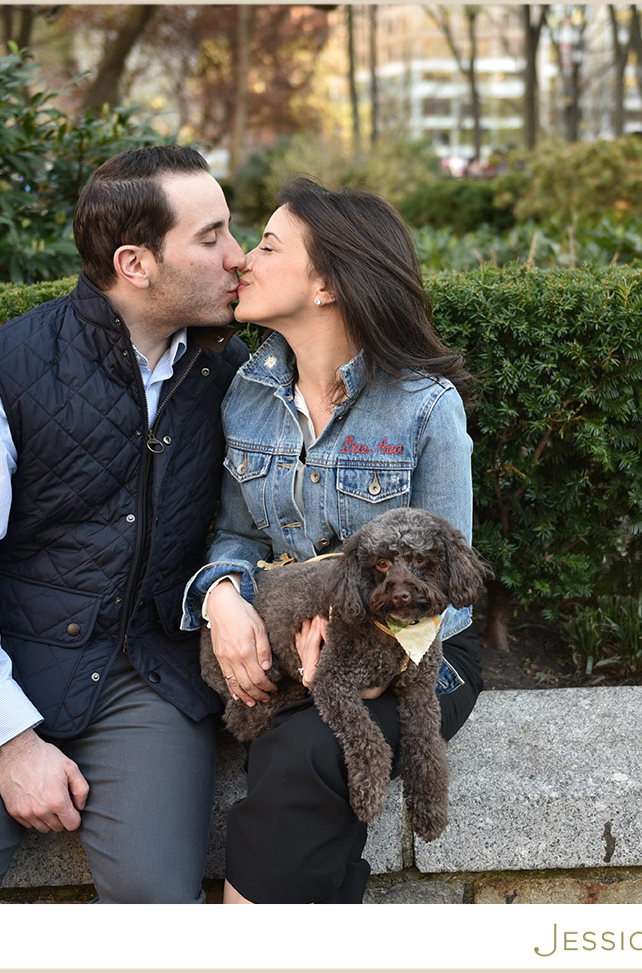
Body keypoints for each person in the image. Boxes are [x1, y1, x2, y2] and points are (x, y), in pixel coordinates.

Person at [0, 145, 250, 903]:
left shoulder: (233, 375)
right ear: (136, 262)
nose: (237, 257)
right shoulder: (0, 369)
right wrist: (11, 740)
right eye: (211, 237)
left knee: (157, 905)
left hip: (149, 677)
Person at [181, 178, 484, 904]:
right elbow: (235, 534)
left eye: (267, 244)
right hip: (295, 632)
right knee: (295, 742)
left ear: (325, 283)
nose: (243, 259)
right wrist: (221, 597)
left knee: (309, 748)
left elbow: (451, 595)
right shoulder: (247, 392)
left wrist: (357, 674)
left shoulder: (424, 409)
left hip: (419, 656)